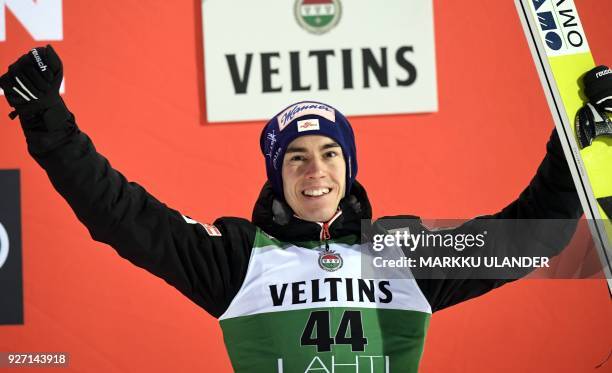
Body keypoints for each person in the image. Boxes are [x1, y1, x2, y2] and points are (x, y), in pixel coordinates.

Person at [0, 45, 583, 372]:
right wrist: (45, 116)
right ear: (276, 174)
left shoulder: (399, 253)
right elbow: (117, 213)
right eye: (296, 157)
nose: (315, 170)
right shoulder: (235, 259)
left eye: (330, 153)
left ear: (348, 166)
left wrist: (576, 140)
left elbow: (531, 237)